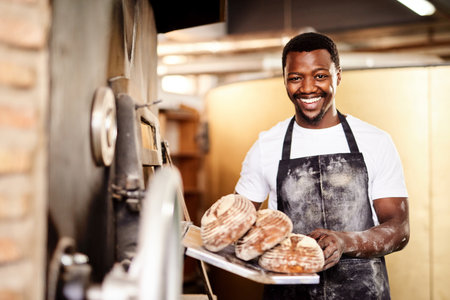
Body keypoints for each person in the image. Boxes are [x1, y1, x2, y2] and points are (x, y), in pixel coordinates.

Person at [234, 32, 410, 300]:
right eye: (295, 77)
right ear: (284, 79)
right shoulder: (266, 146)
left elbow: (399, 228)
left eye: (320, 75)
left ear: (338, 76)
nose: (307, 88)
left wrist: (344, 242)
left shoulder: (375, 142)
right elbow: (236, 225)